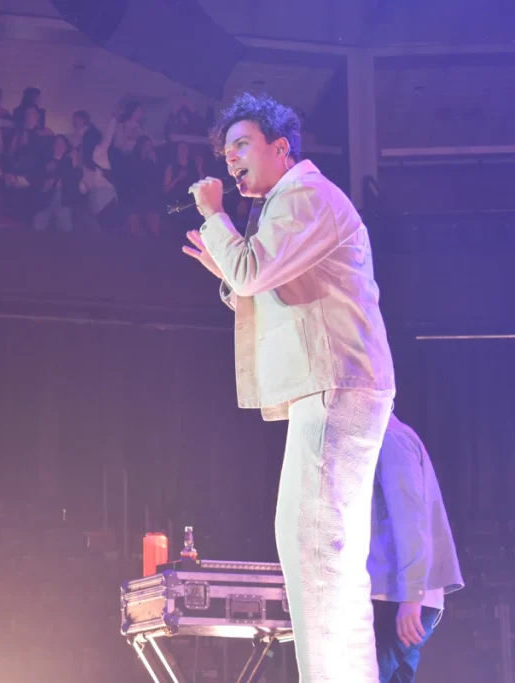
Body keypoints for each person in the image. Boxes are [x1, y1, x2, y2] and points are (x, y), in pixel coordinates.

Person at [182, 93, 395, 683]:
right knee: (321, 550)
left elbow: (252, 271)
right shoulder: (292, 202)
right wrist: (229, 267)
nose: (230, 162)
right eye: (226, 154)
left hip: (336, 384)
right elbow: (263, 281)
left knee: (313, 547)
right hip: (335, 385)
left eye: (241, 146)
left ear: (282, 146)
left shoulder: (303, 195)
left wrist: (214, 217)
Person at [369, 414, 464, 683]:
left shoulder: (389, 439)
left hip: (396, 597)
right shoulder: (389, 437)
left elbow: (409, 519)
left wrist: (411, 597)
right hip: (402, 597)